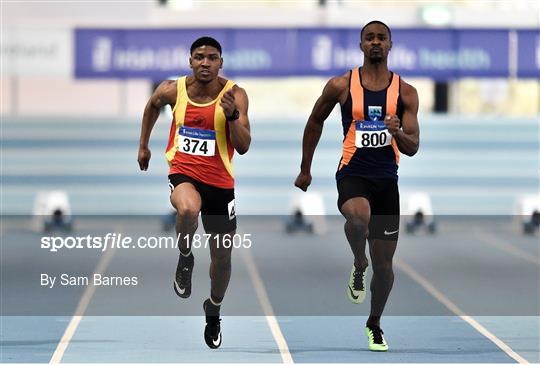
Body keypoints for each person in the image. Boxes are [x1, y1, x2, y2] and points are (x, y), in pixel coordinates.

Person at [294, 21, 419, 351]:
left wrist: (397, 132)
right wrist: (305, 169)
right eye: (369, 38)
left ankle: (374, 323)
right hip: (352, 173)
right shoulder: (341, 85)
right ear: (361, 45)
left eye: (381, 38)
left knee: (386, 267)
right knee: (358, 218)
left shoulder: (405, 93)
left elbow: (413, 146)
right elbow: (314, 121)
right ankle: (358, 262)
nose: (375, 43)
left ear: (391, 44)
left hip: (386, 182)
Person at [138, 36, 251, 349]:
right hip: (184, 172)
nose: (205, 63)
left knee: (223, 260)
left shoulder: (235, 95)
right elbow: (151, 106)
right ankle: (185, 257)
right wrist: (144, 145)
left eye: (212, 57)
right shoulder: (173, 90)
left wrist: (232, 117)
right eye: (199, 57)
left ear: (220, 63)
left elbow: (243, 146)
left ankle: (213, 308)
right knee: (187, 209)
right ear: (190, 61)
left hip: (220, 183)